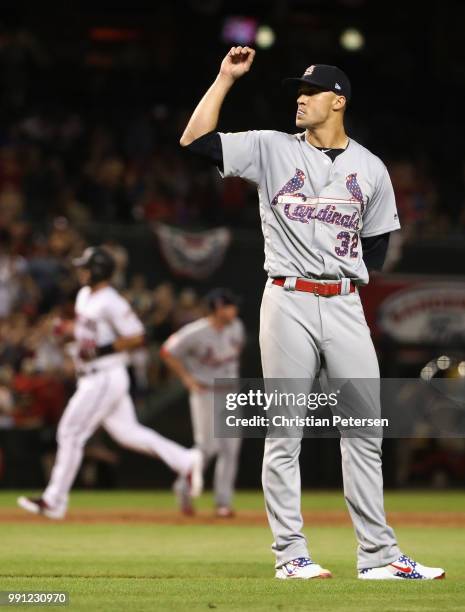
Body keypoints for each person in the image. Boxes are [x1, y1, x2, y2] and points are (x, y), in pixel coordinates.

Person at [178, 47, 445, 580]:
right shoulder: (271, 148)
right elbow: (196, 141)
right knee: (285, 433)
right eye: (296, 92)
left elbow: (377, 243)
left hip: (344, 303)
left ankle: (379, 557)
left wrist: (343, 279)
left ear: (337, 100)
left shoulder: (370, 167)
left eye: (309, 91)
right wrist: (224, 78)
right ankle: (291, 555)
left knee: (365, 430)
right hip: (287, 299)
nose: (299, 99)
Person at [17, 247, 202, 519]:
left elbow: (138, 336)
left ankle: (54, 501)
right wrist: (67, 330)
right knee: (128, 434)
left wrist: (101, 350)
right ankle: (186, 460)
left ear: (99, 269)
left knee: (70, 432)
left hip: (103, 376)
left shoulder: (111, 301)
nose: (81, 271)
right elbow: (88, 333)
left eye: (86, 266)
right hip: (94, 375)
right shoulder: (84, 295)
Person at [161, 288, 245, 517]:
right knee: (207, 447)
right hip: (205, 391)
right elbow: (167, 351)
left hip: (229, 392)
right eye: (230, 305)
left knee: (230, 448)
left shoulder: (237, 327)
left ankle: (223, 503)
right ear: (218, 307)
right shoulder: (195, 332)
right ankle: (183, 487)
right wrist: (186, 378)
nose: (234, 309)